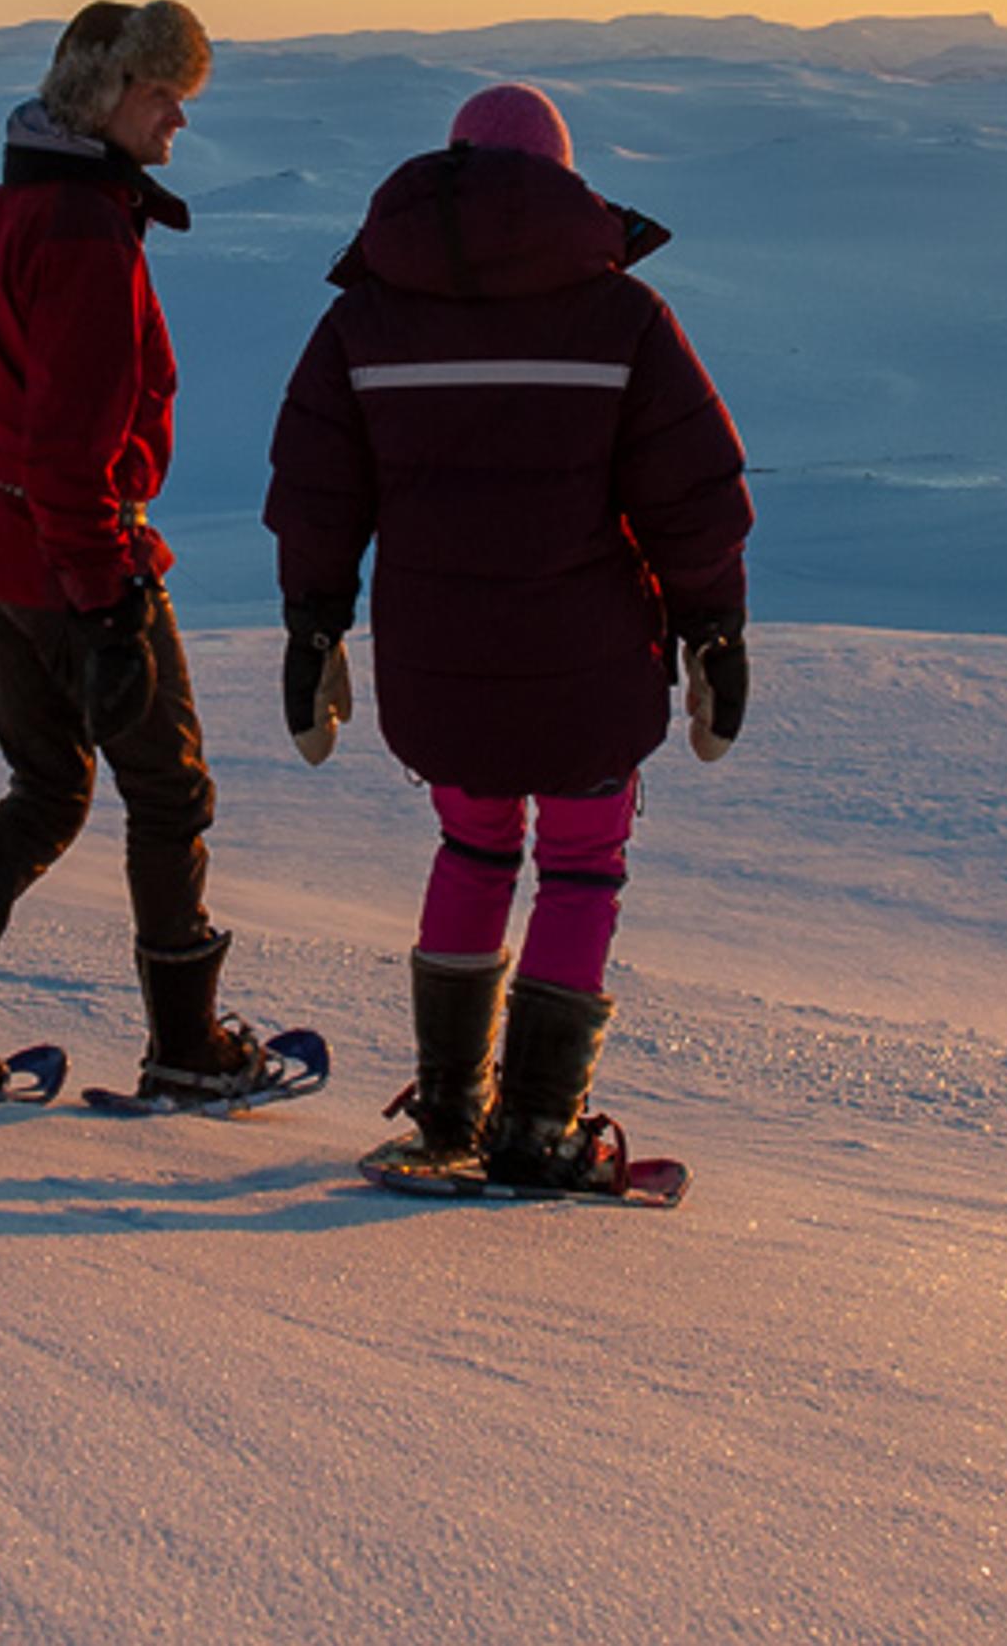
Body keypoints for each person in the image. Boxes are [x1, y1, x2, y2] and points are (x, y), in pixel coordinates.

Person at [262, 81, 753, 1189]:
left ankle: (447, 1117)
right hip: (589, 664)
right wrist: (714, 629)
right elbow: (694, 493)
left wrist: (314, 631)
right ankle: (538, 1124)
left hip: (443, 666)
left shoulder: (364, 319)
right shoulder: (622, 317)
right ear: (562, 180)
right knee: (583, 867)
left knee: (474, 849)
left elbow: (314, 491)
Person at [0, 0, 293, 1102]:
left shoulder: (10, 207)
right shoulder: (88, 234)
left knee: (48, 788)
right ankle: (188, 1049)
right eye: (163, 99)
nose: (179, 123)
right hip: (73, 562)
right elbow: (75, 443)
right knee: (169, 793)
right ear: (109, 100)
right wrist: (105, 599)